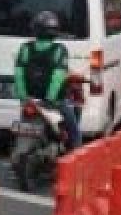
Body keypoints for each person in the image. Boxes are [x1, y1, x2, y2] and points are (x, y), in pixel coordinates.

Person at [14, 11, 80, 149]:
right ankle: (75, 151)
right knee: (74, 130)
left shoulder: (25, 48)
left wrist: (23, 96)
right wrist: (50, 99)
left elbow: (19, 73)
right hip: (54, 101)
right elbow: (58, 76)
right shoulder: (59, 50)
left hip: (30, 101)